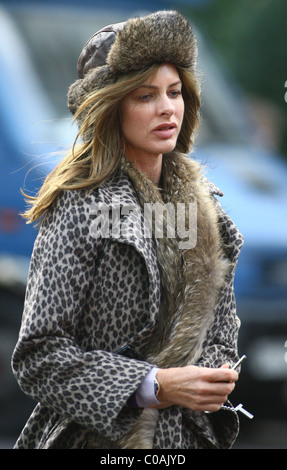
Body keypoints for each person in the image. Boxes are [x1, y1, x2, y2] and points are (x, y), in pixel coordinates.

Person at [12, 10, 244, 449]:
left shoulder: (204, 216)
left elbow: (219, 335)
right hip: (94, 441)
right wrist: (153, 385)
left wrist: (212, 376)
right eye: (144, 96)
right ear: (111, 107)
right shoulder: (81, 207)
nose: (166, 109)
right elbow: (38, 357)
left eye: (174, 93)